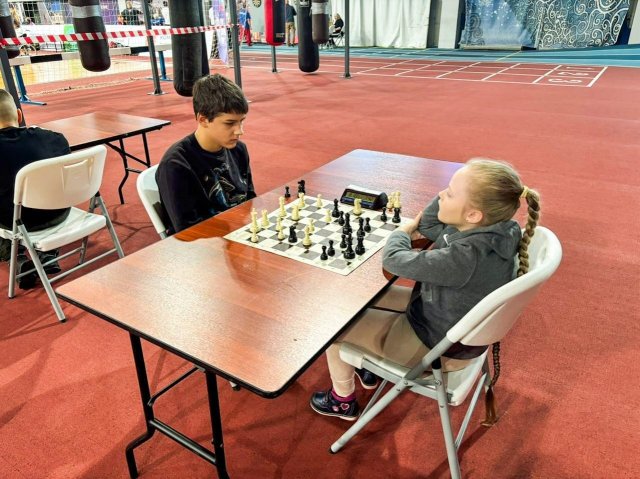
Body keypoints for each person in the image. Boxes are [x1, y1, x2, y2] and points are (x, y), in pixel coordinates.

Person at [310, 158, 541, 420]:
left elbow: (393, 259)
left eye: (449, 193)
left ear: (473, 215)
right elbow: (430, 226)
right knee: (357, 300)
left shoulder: (466, 257)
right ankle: (368, 368)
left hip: (439, 345)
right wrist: (450, 194)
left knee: (333, 328)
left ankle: (341, 402)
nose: (441, 194)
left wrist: (402, 231)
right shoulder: (498, 228)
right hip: (444, 317)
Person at [156, 74, 256, 235]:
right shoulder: (176, 165)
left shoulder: (239, 150)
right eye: (230, 123)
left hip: (239, 233)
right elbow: (187, 231)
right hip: (202, 244)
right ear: (203, 120)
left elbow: (250, 200)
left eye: (242, 121)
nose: (240, 131)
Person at [0, 89, 71, 288]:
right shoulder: (55, 138)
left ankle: (15, 257)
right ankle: (47, 253)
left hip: (17, 222)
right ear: (19, 115)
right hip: (58, 214)